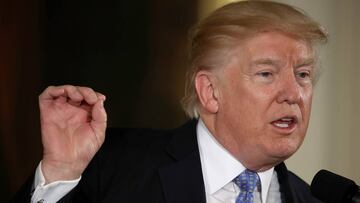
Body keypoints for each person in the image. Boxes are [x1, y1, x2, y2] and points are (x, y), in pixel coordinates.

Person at [12, 1, 328, 202]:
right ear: (210, 92)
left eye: (302, 74)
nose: (294, 94)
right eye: (266, 74)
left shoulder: (313, 198)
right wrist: (61, 174)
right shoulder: (112, 166)